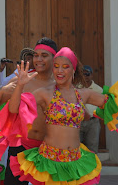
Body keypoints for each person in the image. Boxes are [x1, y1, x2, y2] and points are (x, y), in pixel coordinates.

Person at [8, 47, 117, 184]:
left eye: (65, 67)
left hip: (75, 162)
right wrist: (20, 85)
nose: (59, 71)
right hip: (50, 162)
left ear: (73, 70)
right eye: (56, 66)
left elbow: (112, 104)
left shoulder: (84, 94)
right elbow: (13, 109)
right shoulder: (44, 93)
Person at [0, 37, 58, 185]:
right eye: (36, 55)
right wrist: (2, 91)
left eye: (44, 56)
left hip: (48, 149)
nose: (38, 59)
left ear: (54, 58)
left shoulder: (60, 84)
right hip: (21, 147)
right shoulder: (22, 80)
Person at [79, 65, 103, 153]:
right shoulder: (76, 87)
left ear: (92, 75)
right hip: (78, 121)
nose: (85, 76)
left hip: (93, 122)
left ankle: (94, 166)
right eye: (83, 74)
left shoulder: (98, 89)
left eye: (87, 74)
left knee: (92, 147)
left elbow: (103, 106)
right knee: (76, 147)